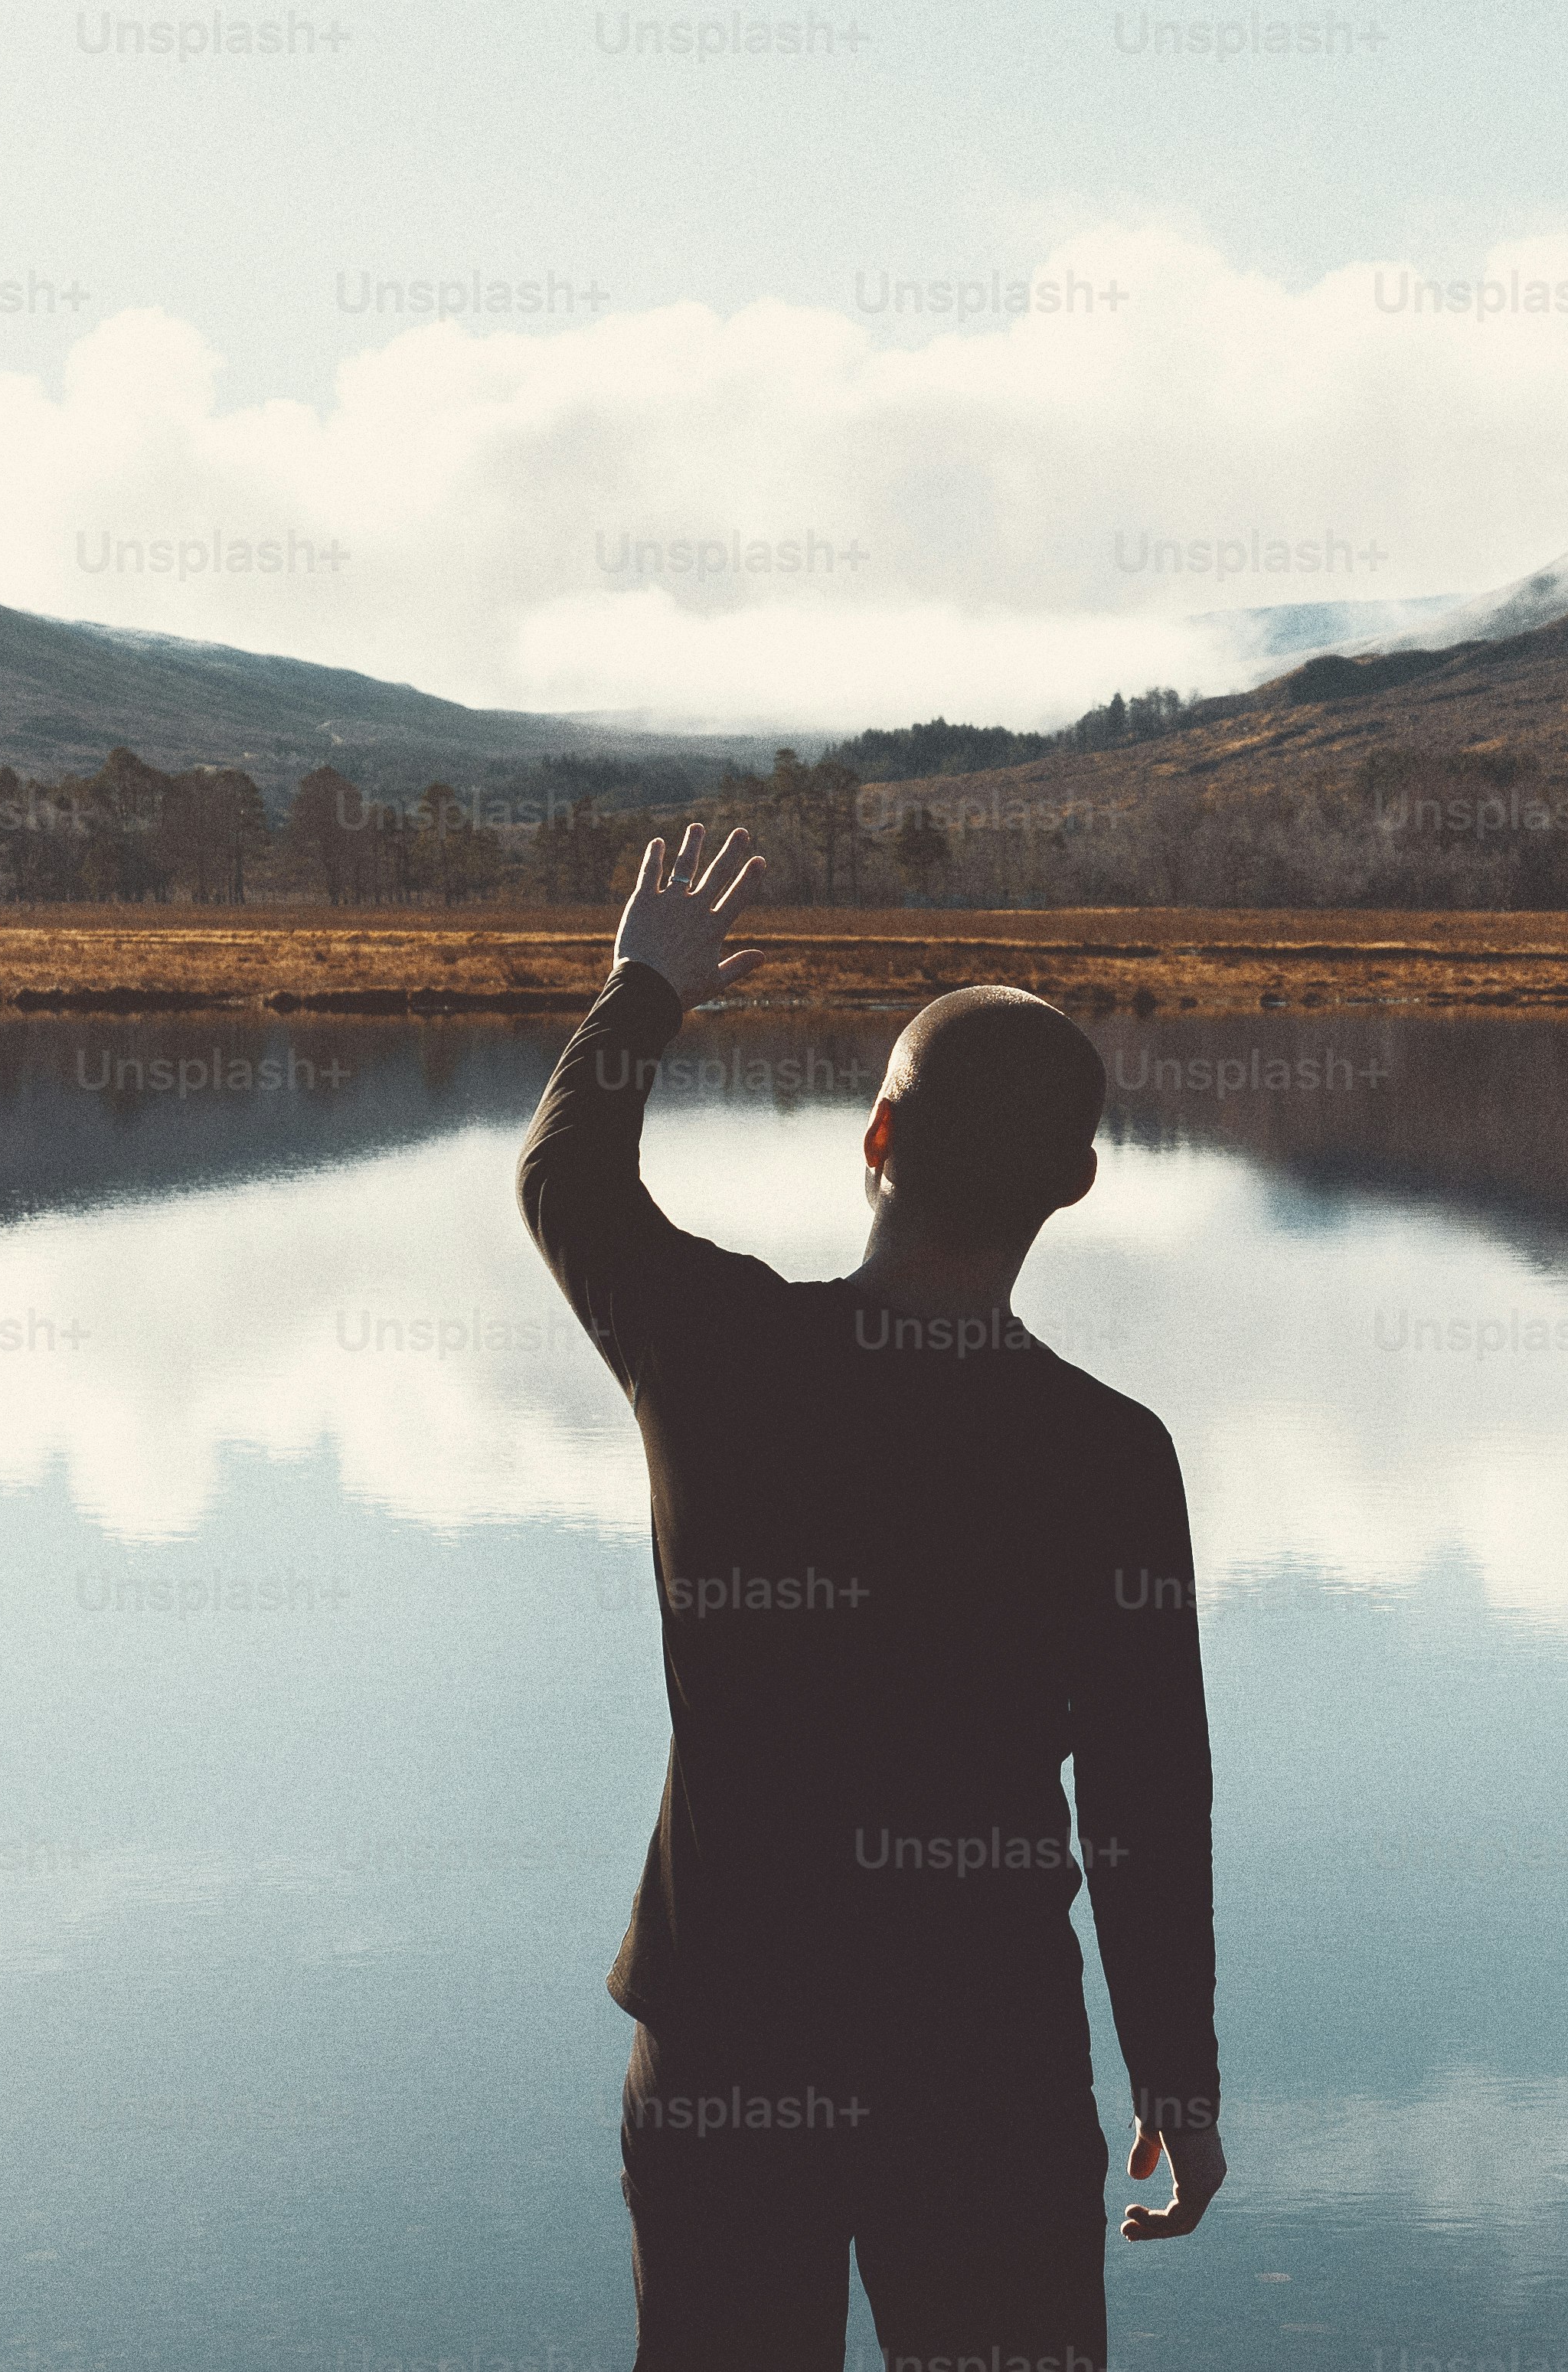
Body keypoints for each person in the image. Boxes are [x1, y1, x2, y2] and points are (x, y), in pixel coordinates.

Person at [519, 825, 1223, 2370]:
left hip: (725, 2051)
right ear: (1077, 1185)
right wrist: (1178, 2073)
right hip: (985, 2069)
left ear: (874, 1143)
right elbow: (1146, 1801)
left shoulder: (716, 1358)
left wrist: (646, 990)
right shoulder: (1107, 1458)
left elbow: (565, 1173)